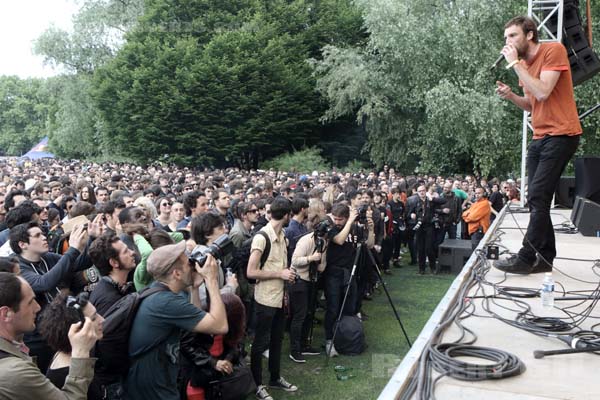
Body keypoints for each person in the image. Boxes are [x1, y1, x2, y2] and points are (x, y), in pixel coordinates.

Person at [495, 16, 582, 274]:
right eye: (506, 38)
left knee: (538, 196)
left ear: (529, 35)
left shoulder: (552, 50)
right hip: (540, 136)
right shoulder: (523, 64)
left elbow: (544, 90)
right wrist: (511, 95)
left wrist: (515, 65)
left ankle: (524, 256)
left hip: (562, 134)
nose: (507, 42)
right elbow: (533, 103)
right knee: (536, 200)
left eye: (512, 36)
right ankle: (544, 259)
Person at [125, 241, 227, 400]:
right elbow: (220, 325)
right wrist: (211, 280)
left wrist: (194, 287)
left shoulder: (159, 292)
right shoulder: (166, 303)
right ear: (176, 274)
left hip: (156, 380)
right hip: (153, 389)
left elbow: (198, 325)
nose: (193, 265)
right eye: (188, 263)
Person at [0, 272, 99, 399]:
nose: (37, 307)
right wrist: (80, 353)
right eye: (30, 302)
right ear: (6, 314)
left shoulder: (14, 346)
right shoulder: (14, 372)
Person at [246, 196, 298, 400]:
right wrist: (280, 274)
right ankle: (257, 384)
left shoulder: (283, 234)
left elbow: (280, 267)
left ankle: (275, 378)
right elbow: (251, 271)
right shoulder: (262, 237)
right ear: (286, 215)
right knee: (259, 344)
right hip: (264, 300)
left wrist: (288, 274)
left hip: (279, 298)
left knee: (277, 340)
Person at [38, 292, 105, 399]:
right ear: (76, 330)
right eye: (93, 318)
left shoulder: (62, 353)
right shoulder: (67, 376)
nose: (102, 320)